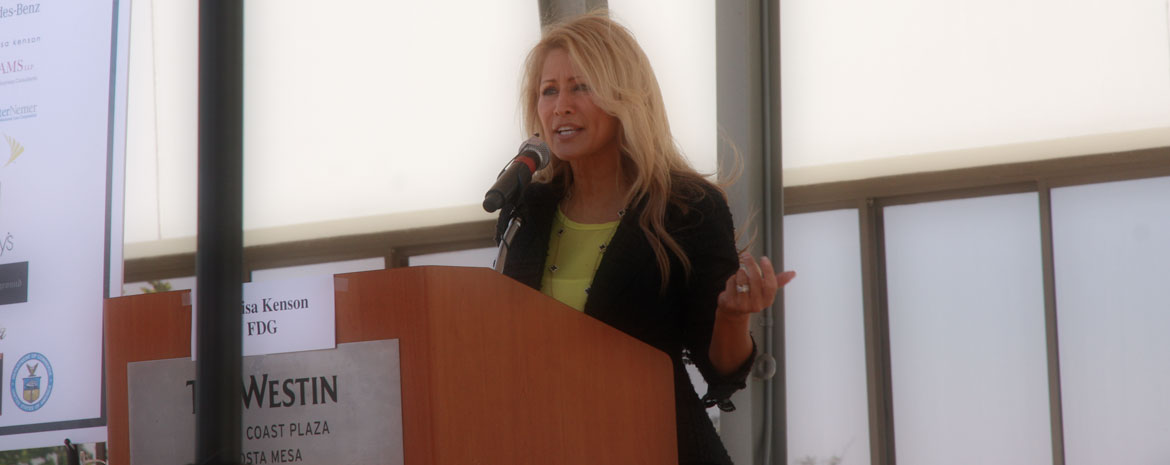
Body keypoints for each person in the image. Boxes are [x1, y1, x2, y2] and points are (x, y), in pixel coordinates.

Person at [495, 12, 795, 465]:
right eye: (549, 91)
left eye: (581, 86)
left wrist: (733, 316)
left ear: (624, 98)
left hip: (661, 446)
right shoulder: (526, 210)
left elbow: (722, 368)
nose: (561, 106)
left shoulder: (686, 208)